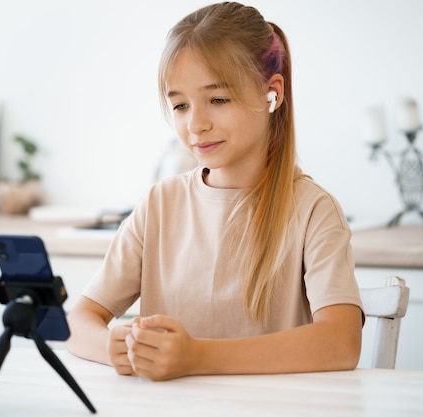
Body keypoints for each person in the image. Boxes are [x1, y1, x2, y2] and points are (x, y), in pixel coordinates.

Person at [66, 1, 363, 381]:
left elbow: (341, 342)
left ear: (272, 94)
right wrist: (114, 348)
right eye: (180, 105)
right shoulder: (159, 205)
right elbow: (79, 321)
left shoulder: (313, 211)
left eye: (218, 100)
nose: (196, 124)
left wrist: (198, 357)